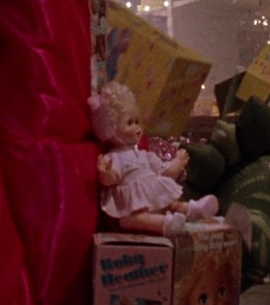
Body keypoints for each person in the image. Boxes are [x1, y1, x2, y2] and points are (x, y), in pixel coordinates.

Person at [88, 81, 217, 235]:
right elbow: (112, 179)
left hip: (155, 197)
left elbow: (165, 171)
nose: (137, 127)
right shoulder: (115, 157)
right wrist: (106, 172)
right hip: (133, 206)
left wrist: (178, 162)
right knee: (133, 219)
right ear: (110, 129)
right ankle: (166, 224)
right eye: (130, 123)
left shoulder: (145, 154)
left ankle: (194, 210)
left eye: (137, 121)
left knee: (171, 204)